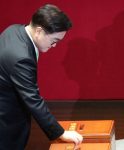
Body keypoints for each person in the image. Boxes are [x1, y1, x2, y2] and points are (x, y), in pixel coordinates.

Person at [0, 4, 83, 150]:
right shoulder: (21, 58)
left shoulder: (15, 30)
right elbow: (33, 99)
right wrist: (60, 133)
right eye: (55, 40)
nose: (55, 45)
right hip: (5, 119)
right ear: (39, 31)